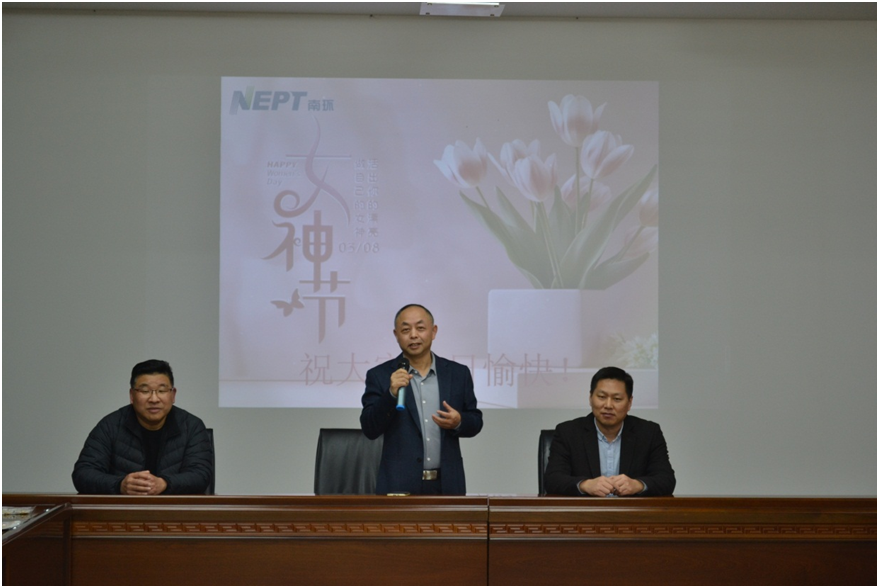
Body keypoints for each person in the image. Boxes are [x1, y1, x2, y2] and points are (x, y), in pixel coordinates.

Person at [360, 304, 483, 495]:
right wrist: (390, 394)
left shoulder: (458, 374)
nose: (413, 335)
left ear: (433, 332)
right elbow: (369, 428)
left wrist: (459, 422)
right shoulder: (380, 375)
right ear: (396, 335)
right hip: (399, 486)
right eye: (405, 330)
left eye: (420, 328)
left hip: (448, 485)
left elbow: (475, 422)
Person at [72, 359, 213, 495]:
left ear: (173, 394)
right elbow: (83, 474)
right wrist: (120, 485)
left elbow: (201, 474)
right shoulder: (110, 426)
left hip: (175, 510)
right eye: (145, 391)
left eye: (162, 391)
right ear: (132, 395)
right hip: (124, 509)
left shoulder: (192, 427)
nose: (154, 399)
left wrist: (165, 484)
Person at [544, 366, 675, 497]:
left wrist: (638, 485)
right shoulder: (568, 433)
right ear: (590, 398)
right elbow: (552, 480)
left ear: (629, 402)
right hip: (586, 509)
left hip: (630, 509)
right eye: (601, 397)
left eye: (617, 399)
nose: (608, 405)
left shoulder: (648, 433)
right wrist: (585, 485)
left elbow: (666, 480)